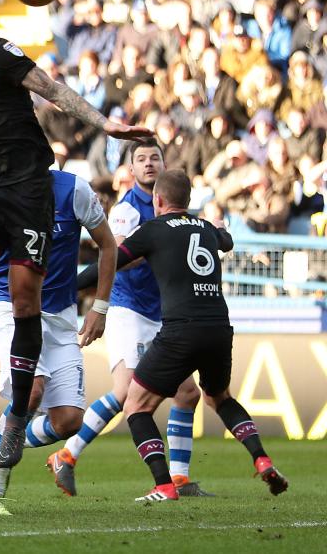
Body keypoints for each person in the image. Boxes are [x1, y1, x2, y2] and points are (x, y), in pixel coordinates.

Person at [0, 15, 150, 469]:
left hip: (29, 190)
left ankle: (16, 418)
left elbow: (51, 90)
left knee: (23, 300)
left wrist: (104, 125)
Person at [114, 170, 288, 501]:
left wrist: (73, 284)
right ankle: (261, 459)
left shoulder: (152, 230)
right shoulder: (205, 227)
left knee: (136, 407)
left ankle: (164, 485)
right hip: (219, 328)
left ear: (158, 200)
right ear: (189, 201)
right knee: (218, 397)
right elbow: (227, 240)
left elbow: (112, 263)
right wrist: (218, 231)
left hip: (181, 329)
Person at [49, 140, 209, 497]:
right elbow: (119, 255)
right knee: (125, 392)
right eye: (141, 159)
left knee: (186, 393)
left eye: (155, 158)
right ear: (131, 169)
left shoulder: (176, 210)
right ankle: (66, 454)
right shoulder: (127, 209)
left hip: (162, 313)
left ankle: (180, 478)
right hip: (128, 308)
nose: (149, 163)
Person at [0, 170, 117, 516]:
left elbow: (109, 245)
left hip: (61, 316)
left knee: (69, 421)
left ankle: (6, 434)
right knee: (33, 390)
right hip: (12, 305)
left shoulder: (74, 189)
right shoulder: (3, 188)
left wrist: (100, 307)